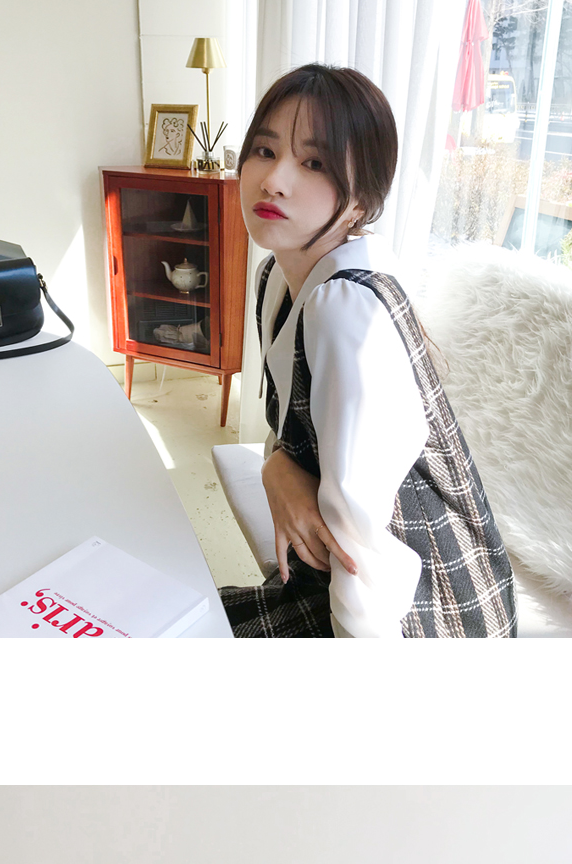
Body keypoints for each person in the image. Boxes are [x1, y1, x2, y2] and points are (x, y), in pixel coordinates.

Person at [219, 63, 517, 641]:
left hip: (418, 615)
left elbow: (366, 548)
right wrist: (276, 465)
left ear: (360, 200)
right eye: (264, 150)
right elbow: (298, 427)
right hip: (336, 581)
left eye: (314, 163)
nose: (273, 180)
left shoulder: (347, 309)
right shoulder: (276, 277)